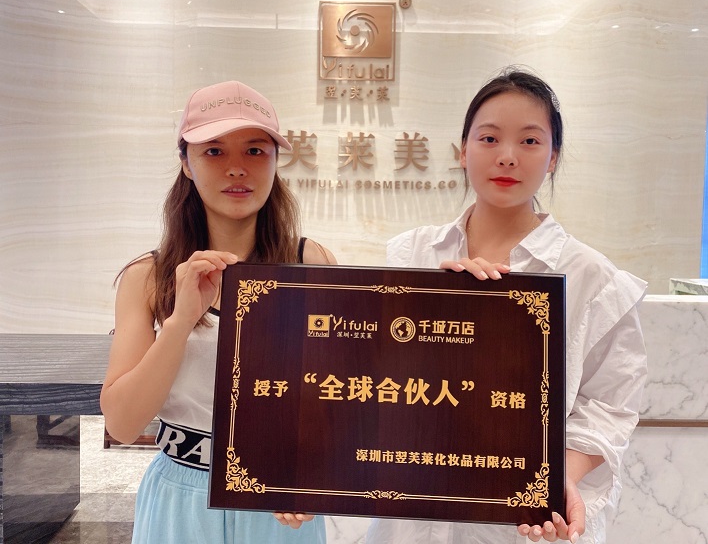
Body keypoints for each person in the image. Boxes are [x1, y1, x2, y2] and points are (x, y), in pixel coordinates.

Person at [366, 68, 647, 544]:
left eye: (530, 141)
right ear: (463, 150)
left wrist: (558, 476)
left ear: (553, 157)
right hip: (412, 515)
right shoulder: (410, 256)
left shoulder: (591, 277)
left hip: (522, 526)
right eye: (489, 138)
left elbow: (611, 404)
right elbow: (369, 377)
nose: (508, 156)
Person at [100, 80, 335, 543]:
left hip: (278, 501)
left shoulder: (310, 264)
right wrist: (180, 322)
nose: (236, 168)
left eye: (255, 150)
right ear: (186, 163)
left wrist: (314, 473)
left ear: (276, 161)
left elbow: (339, 399)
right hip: (181, 499)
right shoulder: (148, 277)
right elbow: (123, 424)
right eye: (213, 151)